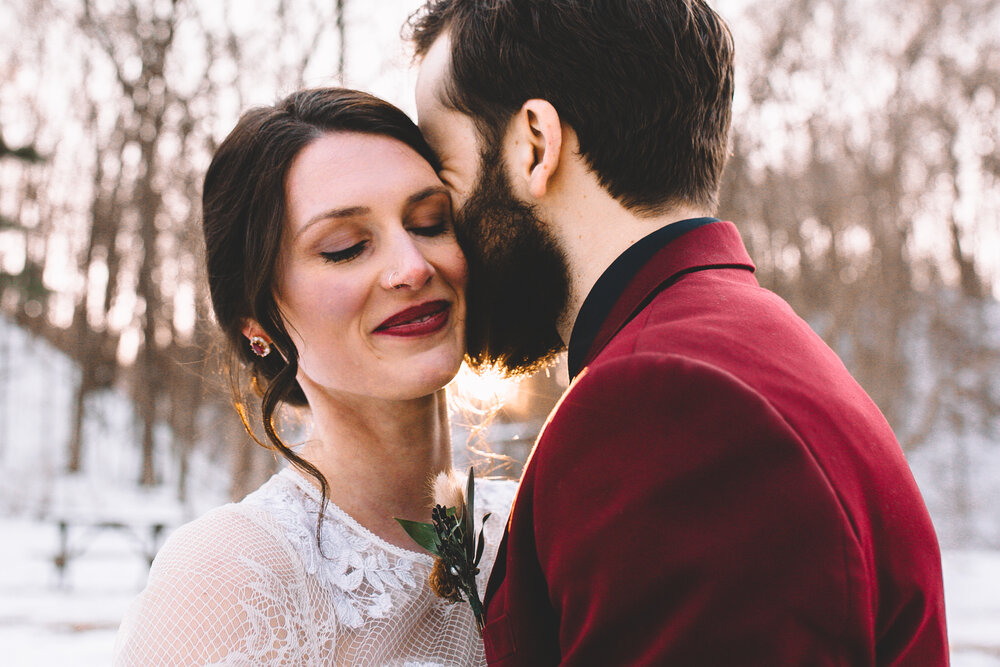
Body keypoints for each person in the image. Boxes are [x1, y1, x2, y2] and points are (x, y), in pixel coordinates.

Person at [407, 1, 949, 665]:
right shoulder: (748, 347)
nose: (432, 240)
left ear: (534, 145)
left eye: (442, 168)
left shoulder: (664, 408)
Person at [113, 87, 515, 666]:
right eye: (346, 247)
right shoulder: (235, 577)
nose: (412, 266)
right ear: (260, 326)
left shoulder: (536, 529)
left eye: (430, 222)